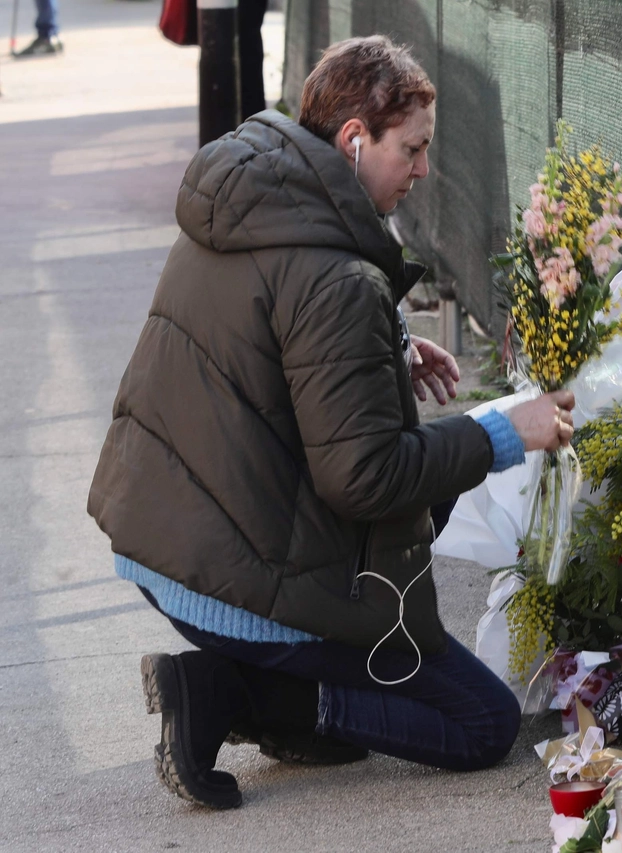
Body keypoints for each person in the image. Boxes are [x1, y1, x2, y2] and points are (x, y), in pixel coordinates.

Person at [87, 35, 574, 809]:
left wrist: (381, 347)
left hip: (162, 538)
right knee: (481, 722)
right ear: (354, 139)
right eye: (411, 150)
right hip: (227, 581)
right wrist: (508, 431)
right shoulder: (337, 275)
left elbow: (262, 337)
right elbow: (363, 477)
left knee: (355, 724)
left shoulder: (252, 194)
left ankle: (273, 687)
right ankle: (226, 689)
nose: (421, 171)